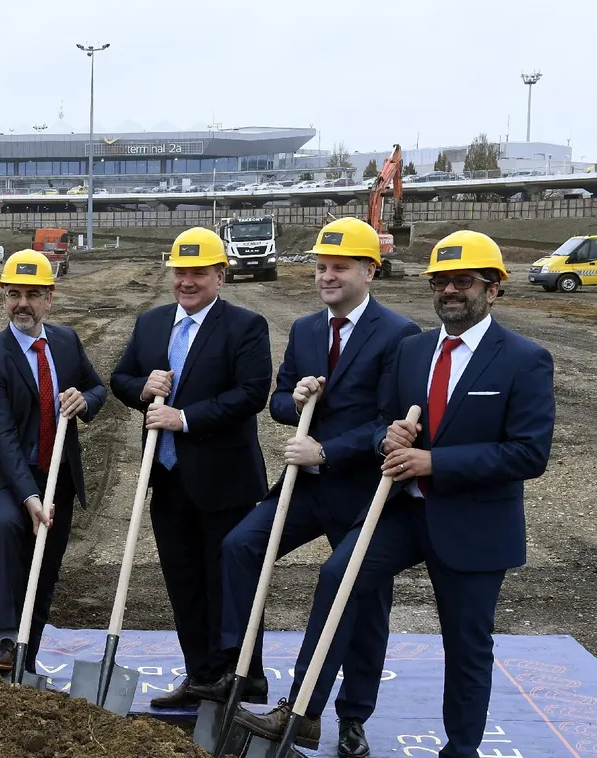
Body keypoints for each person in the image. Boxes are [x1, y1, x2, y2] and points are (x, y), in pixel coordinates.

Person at [233, 231, 555, 757]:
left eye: (464, 281)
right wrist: (392, 437)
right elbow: (387, 422)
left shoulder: (524, 359)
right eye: (441, 282)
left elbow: (528, 453)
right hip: (405, 510)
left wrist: (434, 461)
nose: (451, 290)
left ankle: (461, 749)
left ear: (493, 289)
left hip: (473, 524)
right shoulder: (414, 350)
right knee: (340, 575)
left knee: (466, 645)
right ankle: (304, 711)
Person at [204, 218, 420, 757]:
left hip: (365, 495)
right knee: (239, 546)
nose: (326, 276)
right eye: (321, 267)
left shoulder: (398, 335)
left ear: (370, 271)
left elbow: (389, 423)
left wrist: (327, 450)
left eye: (339, 267)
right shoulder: (304, 330)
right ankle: (240, 667)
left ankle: (346, 718)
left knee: (362, 605)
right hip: (305, 487)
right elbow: (276, 401)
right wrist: (296, 399)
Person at [109, 227, 272, 707]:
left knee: (229, 584)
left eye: (198, 272)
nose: (187, 281)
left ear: (221, 275)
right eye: (181, 271)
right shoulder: (152, 323)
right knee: (184, 583)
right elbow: (120, 377)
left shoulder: (246, 326)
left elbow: (251, 395)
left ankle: (239, 677)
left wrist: (184, 418)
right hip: (169, 481)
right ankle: (200, 675)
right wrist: (141, 389)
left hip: (225, 483)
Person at [0, 250, 106, 675]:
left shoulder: (65, 342)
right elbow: (3, 438)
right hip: (5, 476)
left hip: (57, 475)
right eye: (14, 295)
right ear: (3, 297)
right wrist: (29, 496)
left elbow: (96, 388)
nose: (22, 304)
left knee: (45, 566)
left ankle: (27, 655)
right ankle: (7, 636)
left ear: (50, 297)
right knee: (9, 525)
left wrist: (84, 401)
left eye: (33, 294)